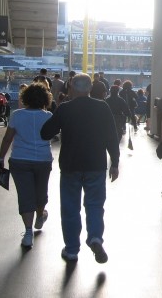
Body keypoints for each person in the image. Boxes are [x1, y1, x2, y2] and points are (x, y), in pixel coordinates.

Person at [40, 73, 120, 264]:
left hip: (70, 165)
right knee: (94, 205)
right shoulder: (102, 106)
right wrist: (115, 163)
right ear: (90, 88)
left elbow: (45, 133)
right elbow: (112, 136)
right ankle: (95, 238)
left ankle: (71, 250)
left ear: (71, 88)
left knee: (70, 208)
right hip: (96, 165)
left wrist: (59, 113)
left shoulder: (65, 108)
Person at [0, 82, 54, 248]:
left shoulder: (17, 115)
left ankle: (28, 233)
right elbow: (52, 135)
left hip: (20, 159)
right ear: (45, 98)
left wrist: (1, 158)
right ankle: (40, 215)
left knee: (25, 195)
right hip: (43, 160)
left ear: (26, 98)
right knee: (40, 191)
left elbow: (7, 138)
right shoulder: (48, 116)